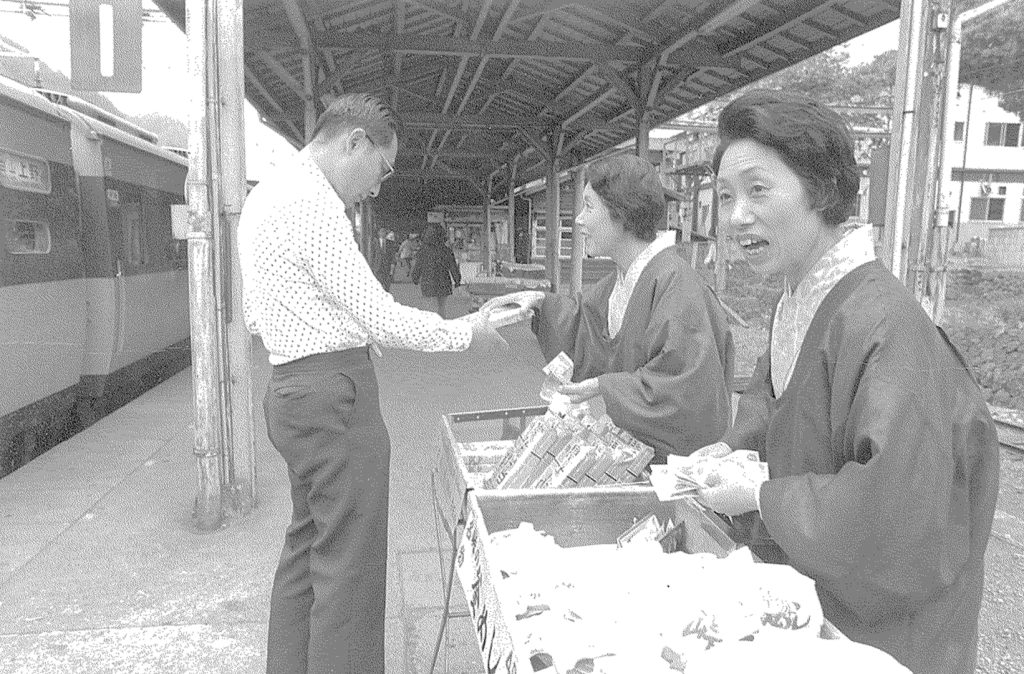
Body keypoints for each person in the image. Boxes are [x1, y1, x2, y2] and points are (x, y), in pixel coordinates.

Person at [692, 90, 999, 674]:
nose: (735, 217)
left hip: (883, 634)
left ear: (823, 189)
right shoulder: (799, 301)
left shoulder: (884, 322)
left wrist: (759, 497)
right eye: (726, 196)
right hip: (817, 600)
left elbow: (898, 512)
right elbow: (778, 402)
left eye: (758, 190)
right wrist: (729, 450)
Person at [236, 93, 506, 674]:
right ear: (353, 141)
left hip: (290, 389)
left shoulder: (266, 196)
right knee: (350, 567)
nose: (378, 188)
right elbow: (380, 312)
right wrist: (467, 333)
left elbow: (260, 316)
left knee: (307, 552)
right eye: (381, 170)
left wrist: (334, 329)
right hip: (334, 397)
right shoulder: (313, 203)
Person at [480, 153, 735, 462]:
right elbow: (581, 317)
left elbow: (686, 388)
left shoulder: (676, 283)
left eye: (588, 206)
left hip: (677, 463)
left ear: (621, 213)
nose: (578, 220)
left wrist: (604, 386)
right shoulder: (625, 276)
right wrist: (540, 303)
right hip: (641, 450)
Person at [411, 222, 461, 318]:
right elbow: (453, 267)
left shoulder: (422, 251)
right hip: (443, 282)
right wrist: (457, 280)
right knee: (441, 307)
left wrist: (415, 278)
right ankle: (441, 325)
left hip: (428, 282)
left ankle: (432, 327)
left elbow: (418, 266)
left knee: (430, 308)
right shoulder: (446, 250)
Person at [370, 226, 398, 292]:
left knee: (386, 281)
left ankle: (386, 292)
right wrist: (372, 265)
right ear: (378, 233)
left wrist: (393, 264)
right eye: (381, 231)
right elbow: (372, 254)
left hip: (387, 264)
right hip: (377, 265)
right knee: (378, 280)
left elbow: (392, 254)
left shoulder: (390, 243)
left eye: (384, 231)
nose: (383, 233)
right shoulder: (374, 242)